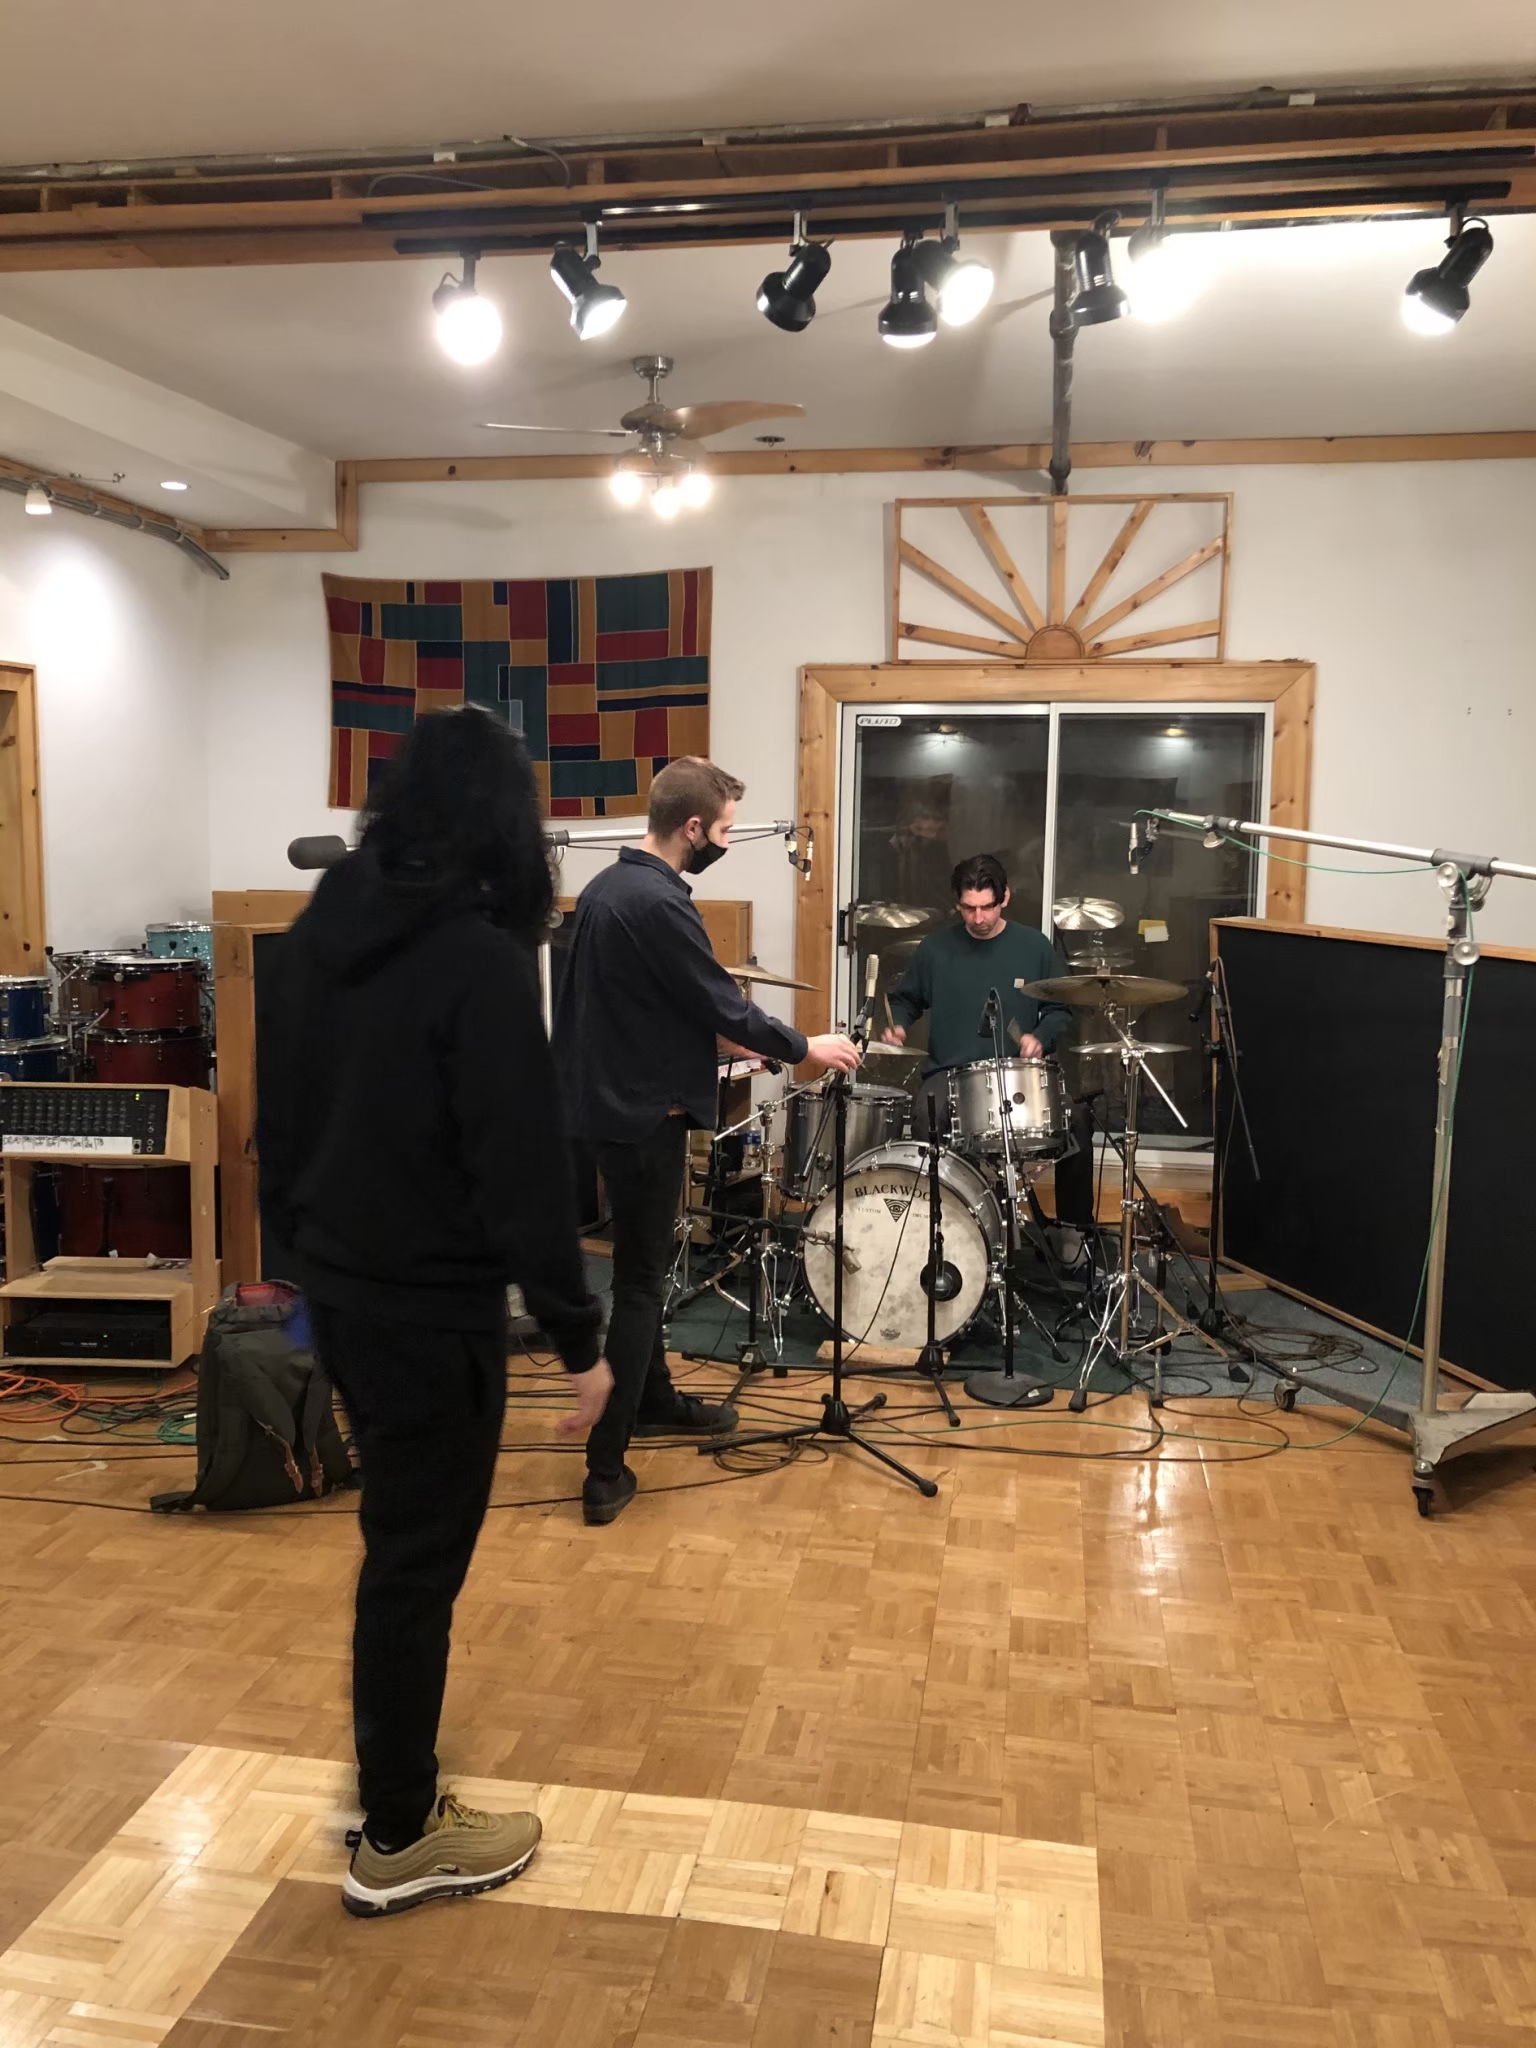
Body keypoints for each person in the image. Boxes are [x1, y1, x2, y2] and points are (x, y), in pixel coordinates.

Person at [258, 706, 612, 1919]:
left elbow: (277, 1113)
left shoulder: (323, 921)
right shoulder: (478, 958)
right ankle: (401, 1832)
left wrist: (296, 1260)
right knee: (415, 1566)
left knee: (395, 1547)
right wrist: (580, 1338)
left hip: (342, 1293)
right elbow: (524, 1171)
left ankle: (389, 1784)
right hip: (430, 1312)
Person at [555, 756, 860, 1526]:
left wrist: (725, 1044)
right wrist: (805, 1047)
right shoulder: (659, 903)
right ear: (693, 827)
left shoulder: (603, 891)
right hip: (642, 1120)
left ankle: (653, 1400)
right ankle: (604, 1469)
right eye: (723, 829)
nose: (725, 840)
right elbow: (724, 1003)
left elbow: (641, 1009)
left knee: (644, 1272)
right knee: (639, 1285)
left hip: (604, 1110)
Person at [881, 852, 1072, 1132]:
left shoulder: (1035, 947)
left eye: (987, 907)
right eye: (969, 908)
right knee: (926, 1116)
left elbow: (1060, 1010)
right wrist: (897, 1024)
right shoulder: (935, 949)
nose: (979, 918)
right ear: (958, 904)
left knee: (1074, 1120)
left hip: (1017, 1073)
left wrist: (1040, 1038)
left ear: (1005, 898)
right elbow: (906, 1000)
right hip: (949, 1074)